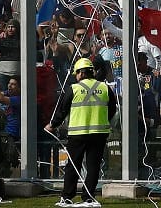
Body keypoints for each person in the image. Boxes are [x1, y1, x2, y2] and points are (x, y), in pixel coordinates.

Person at [47, 57, 116, 208]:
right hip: (99, 133)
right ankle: (89, 197)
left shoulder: (74, 88)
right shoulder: (105, 88)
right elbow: (112, 110)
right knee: (93, 166)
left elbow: (62, 110)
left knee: (73, 165)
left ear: (79, 73)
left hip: (78, 134)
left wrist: (52, 125)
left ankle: (67, 197)